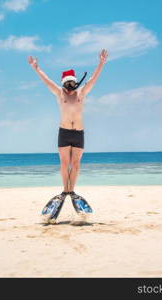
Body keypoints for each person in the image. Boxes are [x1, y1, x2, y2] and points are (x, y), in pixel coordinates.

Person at [28, 49, 108, 223]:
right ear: (64, 84)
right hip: (64, 133)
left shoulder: (82, 93)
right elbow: (46, 81)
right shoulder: (59, 94)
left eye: (72, 84)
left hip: (78, 133)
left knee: (76, 164)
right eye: (67, 85)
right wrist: (36, 68)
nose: (69, 88)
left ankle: (71, 190)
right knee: (65, 163)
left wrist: (101, 64)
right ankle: (66, 190)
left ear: (75, 83)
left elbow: (93, 79)